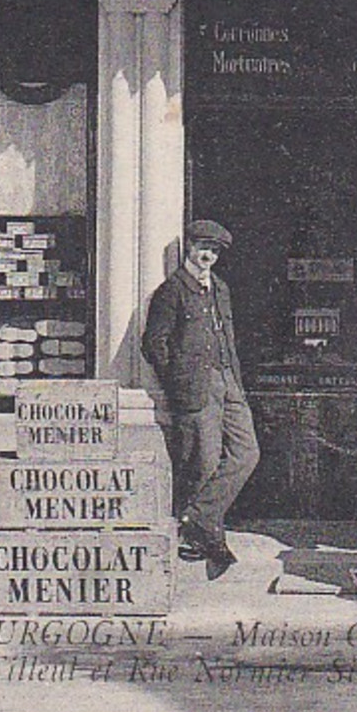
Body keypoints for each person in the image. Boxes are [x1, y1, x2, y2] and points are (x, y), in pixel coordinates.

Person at [141, 219, 259, 578]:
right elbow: (153, 344)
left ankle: (196, 519)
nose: (207, 256)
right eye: (202, 248)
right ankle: (207, 541)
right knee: (205, 464)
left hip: (228, 381)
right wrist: (178, 383)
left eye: (214, 251)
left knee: (247, 452)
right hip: (195, 386)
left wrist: (233, 378)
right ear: (188, 248)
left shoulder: (220, 289)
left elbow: (227, 337)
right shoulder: (172, 290)